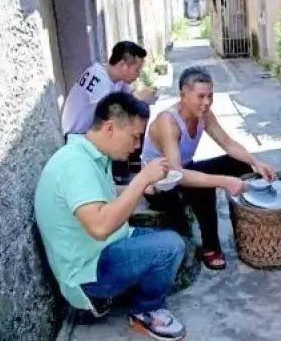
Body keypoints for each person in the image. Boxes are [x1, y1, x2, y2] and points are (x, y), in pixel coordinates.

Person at [35, 92, 186, 340]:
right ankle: (145, 311)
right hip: (87, 273)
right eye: (134, 137)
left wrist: (144, 187)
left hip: (105, 248)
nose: (137, 146)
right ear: (110, 128)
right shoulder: (75, 165)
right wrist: (142, 179)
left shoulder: (90, 156)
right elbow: (100, 227)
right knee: (170, 246)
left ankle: (127, 291)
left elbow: (103, 200)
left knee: (174, 245)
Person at [141, 66, 276, 270]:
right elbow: (176, 174)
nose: (206, 102)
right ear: (183, 96)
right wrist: (222, 181)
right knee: (203, 188)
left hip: (184, 169)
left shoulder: (204, 114)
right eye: (201, 96)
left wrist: (256, 162)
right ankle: (210, 245)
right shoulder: (168, 121)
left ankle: (260, 217)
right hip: (160, 183)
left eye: (210, 96)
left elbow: (227, 143)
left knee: (239, 163)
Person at [61, 40, 156, 137]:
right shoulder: (99, 80)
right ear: (123, 66)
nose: (138, 75)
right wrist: (140, 98)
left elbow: (131, 95)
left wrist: (142, 96)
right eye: (136, 70)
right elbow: (113, 115)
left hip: (90, 132)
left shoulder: (117, 78)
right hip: (77, 135)